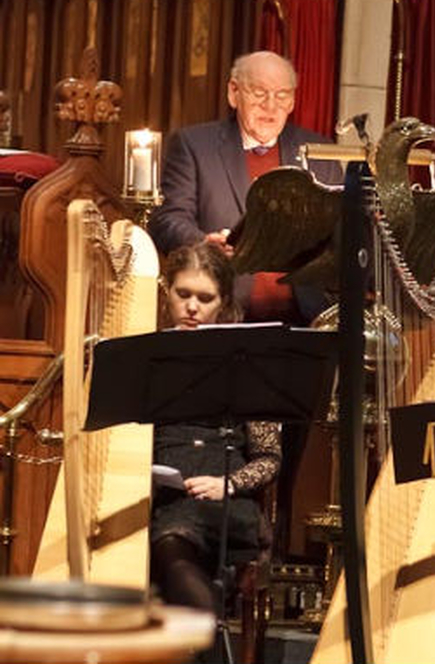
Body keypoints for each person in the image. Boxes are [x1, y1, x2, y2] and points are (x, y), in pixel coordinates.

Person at [148, 50, 342, 325]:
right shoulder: (194, 146)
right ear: (233, 92)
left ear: (293, 101)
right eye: (260, 93)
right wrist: (203, 244)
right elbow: (167, 220)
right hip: (223, 315)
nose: (271, 106)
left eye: (282, 95)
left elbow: (341, 235)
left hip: (306, 320)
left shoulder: (323, 153)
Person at [150, 242, 281, 618]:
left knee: (175, 542)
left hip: (223, 496)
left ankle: (199, 630)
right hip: (161, 495)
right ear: (167, 294)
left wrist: (228, 484)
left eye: (205, 298)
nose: (192, 307)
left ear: (223, 303)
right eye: (183, 294)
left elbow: (269, 457)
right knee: (168, 537)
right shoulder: (145, 357)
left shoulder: (246, 364)